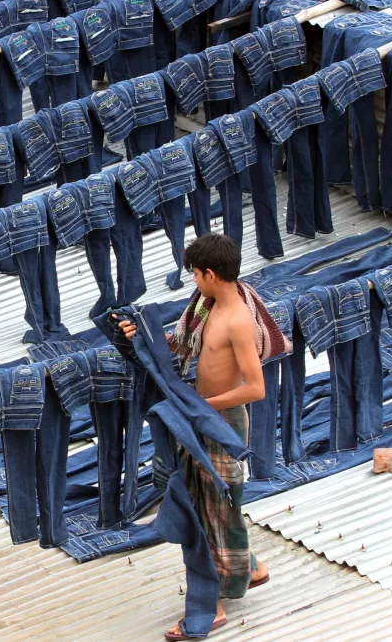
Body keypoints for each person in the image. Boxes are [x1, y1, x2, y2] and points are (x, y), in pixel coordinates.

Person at [116, 234, 280, 640]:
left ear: (210, 273)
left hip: (220, 423)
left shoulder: (237, 318)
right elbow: (182, 344)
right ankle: (252, 567)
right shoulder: (208, 307)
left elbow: (255, 387)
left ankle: (214, 605)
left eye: (194, 273)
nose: (192, 280)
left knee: (212, 515)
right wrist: (142, 337)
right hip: (202, 417)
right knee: (212, 507)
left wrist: (203, 407)